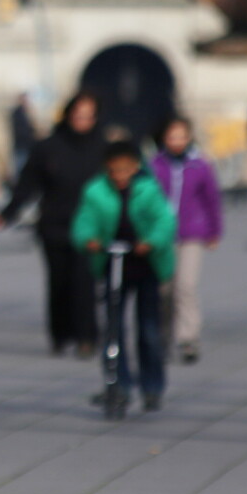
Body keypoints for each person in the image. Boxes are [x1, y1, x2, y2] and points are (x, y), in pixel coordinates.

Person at [72, 140, 177, 412]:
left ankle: (152, 386)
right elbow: (84, 220)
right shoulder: (96, 191)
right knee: (113, 328)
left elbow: (164, 221)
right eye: (114, 170)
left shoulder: (148, 190)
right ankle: (119, 383)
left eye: (125, 170)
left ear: (135, 168)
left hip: (145, 265)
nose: (119, 176)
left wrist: (150, 241)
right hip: (113, 264)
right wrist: (89, 239)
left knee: (149, 329)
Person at [1, 92, 106, 358]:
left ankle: (86, 337)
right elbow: (28, 184)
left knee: (85, 284)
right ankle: (60, 335)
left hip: (90, 228)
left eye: (88, 116)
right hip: (54, 225)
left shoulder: (102, 148)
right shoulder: (48, 147)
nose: (82, 121)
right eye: (78, 115)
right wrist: (8, 213)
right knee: (59, 283)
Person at [151, 117, 222, 365]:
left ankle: (188, 336)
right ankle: (162, 335)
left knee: (186, 286)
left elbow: (212, 199)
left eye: (182, 136)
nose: (177, 142)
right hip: (162, 236)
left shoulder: (199, 165)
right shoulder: (154, 165)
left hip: (192, 233)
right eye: (172, 137)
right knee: (164, 289)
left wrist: (214, 231)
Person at [10, 93, 38, 179]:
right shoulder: (17, 113)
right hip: (21, 145)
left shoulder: (26, 112)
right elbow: (20, 130)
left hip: (26, 145)